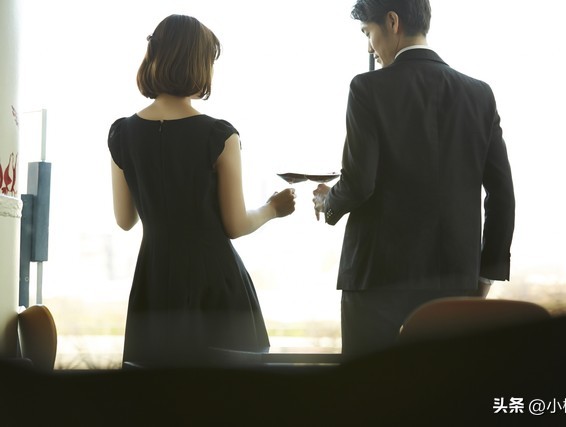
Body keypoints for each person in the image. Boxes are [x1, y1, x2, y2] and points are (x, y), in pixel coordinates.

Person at [313, 0, 515, 358]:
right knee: (442, 388)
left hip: (376, 276)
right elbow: (502, 195)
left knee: (368, 386)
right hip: (454, 279)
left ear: (392, 22)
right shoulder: (479, 94)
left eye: (368, 33)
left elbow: (359, 182)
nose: (370, 47)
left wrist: (328, 201)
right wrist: (486, 274)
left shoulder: (366, 88)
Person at [109, 14, 295, 367]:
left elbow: (125, 220)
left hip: (153, 288)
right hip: (216, 290)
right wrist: (273, 208)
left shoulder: (122, 134)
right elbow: (235, 225)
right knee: (224, 397)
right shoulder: (218, 135)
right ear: (199, 64)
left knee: (156, 395)